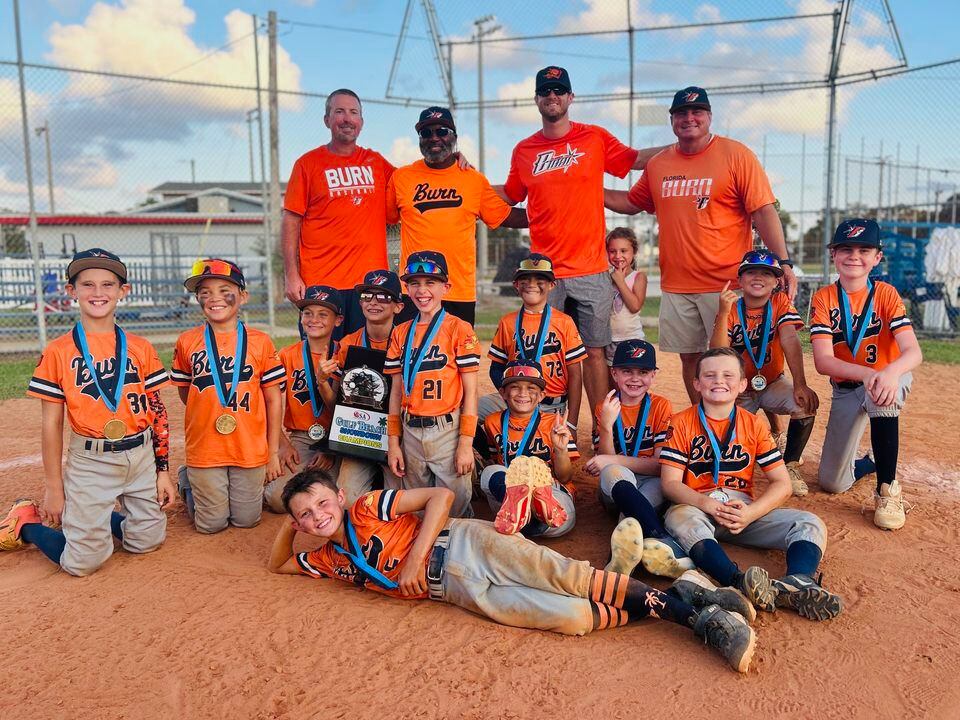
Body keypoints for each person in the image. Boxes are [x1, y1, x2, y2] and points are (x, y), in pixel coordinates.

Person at [268, 470, 758, 673]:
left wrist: (414, 558)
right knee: (572, 618)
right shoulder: (327, 559)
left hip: (464, 542)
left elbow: (440, 496)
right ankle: (686, 593)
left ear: (341, 497)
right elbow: (279, 563)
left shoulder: (367, 507)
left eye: (322, 503)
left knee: (569, 576)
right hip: (456, 590)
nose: (317, 516)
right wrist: (289, 526)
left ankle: (698, 619)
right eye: (305, 515)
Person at [604, 86, 796, 405]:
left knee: (736, 358)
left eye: (697, 112)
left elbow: (763, 210)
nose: (689, 118)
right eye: (681, 113)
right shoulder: (659, 164)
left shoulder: (736, 155)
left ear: (709, 116)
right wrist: (587, 190)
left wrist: (784, 263)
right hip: (678, 284)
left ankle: (749, 423)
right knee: (690, 359)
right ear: (672, 120)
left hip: (726, 283)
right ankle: (701, 421)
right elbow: (631, 202)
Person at [498, 66, 667, 425]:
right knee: (544, 350)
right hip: (545, 273)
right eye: (546, 91)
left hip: (590, 268)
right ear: (537, 99)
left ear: (570, 97)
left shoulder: (593, 137)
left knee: (594, 352)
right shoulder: (524, 150)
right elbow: (510, 196)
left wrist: (682, 146)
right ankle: (545, 427)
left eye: (559, 90)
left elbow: (634, 160)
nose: (553, 96)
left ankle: (603, 427)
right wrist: (466, 182)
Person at [1, 249, 174, 575]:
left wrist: (162, 470)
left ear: (123, 291)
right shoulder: (58, 351)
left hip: (140, 458)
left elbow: (157, 411)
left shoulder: (140, 347)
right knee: (83, 563)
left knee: (147, 541)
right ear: (72, 291)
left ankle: (92, 517)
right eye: (87, 284)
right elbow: (51, 424)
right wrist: (54, 488)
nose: (98, 292)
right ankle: (26, 524)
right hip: (92, 461)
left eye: (108, 284)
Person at [659, 347, 842, 622]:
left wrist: (751, 513)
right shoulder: (682, 422)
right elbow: (670, 483)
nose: (719, 381)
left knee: (808, 522)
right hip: (698, 507)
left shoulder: (753, 424)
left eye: (728, 375)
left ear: (743, 384)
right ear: (696, 383)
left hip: (741, 510)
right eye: (709, 375)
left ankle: (797, 583)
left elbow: (782, 483)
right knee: (678, 516)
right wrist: (706, 504)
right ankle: (738, 581)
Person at [810, 219, 922, 530]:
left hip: (887, 378)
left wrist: (888, 373)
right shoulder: (824, 298)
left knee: (881, 392)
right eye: (846, 248)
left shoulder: (885, 294)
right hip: (847, 387)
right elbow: (823, 361)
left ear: (877, 257)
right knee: (832, 482)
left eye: (864, 250)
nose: (854, 256)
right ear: (833, 254)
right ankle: (870, 462)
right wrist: (867, 373)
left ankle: (887, 490)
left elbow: (913, 352)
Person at [172, 258, 286, 533]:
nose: (215, 298)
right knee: (211, 525)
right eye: (205, 292)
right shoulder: (187, 341)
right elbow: (186, 392)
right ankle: (188, 481)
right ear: (198, 299)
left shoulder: (260, 341)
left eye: (225, 291)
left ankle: (204, 485)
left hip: (249, 447)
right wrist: (211, 407)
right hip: (205, 447)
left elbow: (273, 399)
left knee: (247, 520)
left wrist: (272, 453)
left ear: (243, 296)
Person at [387, 107, 528, 326]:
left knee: (458, 349)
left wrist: (553, 212)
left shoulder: (472, 180)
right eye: (426, 133)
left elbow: (506, 217)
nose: (434, 137)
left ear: (454, 137)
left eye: (442, 131)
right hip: (414, 289)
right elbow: (385, 216)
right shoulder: (402, 178)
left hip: (458, 291)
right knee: (411, 348)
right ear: (420, 139)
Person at [281, 89, 394, 338]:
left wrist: (453, 161)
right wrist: (291, 275)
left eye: (354, 112)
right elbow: (291, 219)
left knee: (365, 357)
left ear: (361, 122)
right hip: (321, 283)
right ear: (327, 120)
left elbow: (414, 183)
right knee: (321, 356)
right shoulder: (307, 164)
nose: (347, 118)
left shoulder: (376, 163)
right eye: (339, 111)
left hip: (368, 286)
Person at [710, 251, 818, 497]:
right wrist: (723, 313)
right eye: (751, 272)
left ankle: (790, 466)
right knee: (724, 453)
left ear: (776, 281)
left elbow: (790, 339)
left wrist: (800, 384)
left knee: (805, 403)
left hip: (771, 383)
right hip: (739, 392)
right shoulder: (732, 308)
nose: (758, 277)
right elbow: (717, 354)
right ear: (740, 279)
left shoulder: (780, 303)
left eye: (767, 273)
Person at [384, 251, 480, 518]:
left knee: (454, 511)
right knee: (418, 511)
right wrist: (394, 443)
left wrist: (465, 443)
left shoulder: (459, 328)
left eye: (431, 282)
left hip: (447, 431)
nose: (422, 290)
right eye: (414, 283)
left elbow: (471, 392)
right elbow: (395, 392)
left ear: (445, 287)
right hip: (410, 431)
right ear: (407, 289)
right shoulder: (401, 332)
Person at [587, 339, 693, 579]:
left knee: (630, 517)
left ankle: (619, 565)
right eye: (627, 371)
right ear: (614, 373)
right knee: (613, 472)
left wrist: (613, 460)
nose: (635, 379)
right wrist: (606, 426)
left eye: (643, 372)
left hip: (650, 482)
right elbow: (606, 463)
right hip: (615, 486)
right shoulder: (605, 406)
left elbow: (658, 466)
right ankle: (664, 540)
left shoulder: (660, 406)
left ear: (653, 375)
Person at [264, 286, 343, 513]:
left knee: (337, 496)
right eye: (308, 313)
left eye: (323, 314)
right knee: (278, 500)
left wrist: (331, 448)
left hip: (337, 438)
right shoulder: (287, 355)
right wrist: (282, 444)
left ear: (338, 320)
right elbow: (267, 403)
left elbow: (347, 410)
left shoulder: (344, 354)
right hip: (301, 438)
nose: (313, 319)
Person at [483, 253, 585, 426]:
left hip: (551, 407)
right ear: (516, 285)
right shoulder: (507, 322)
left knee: (547, 442)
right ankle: (492, 445)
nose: (531, 284)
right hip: (517, 402)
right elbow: (496, 369)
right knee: (469, 413)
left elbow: (575, 374)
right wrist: (510, 396)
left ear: (552, 285)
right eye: (525, 279)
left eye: (540, 280)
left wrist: (572, 424)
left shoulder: (564, 322)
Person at [479, 360, 578, 537]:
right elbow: (496, 459)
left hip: (551, 490)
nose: (523, 393)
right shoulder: (492, 422)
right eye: (515, 387)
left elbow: (565, 477)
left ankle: (530, 516)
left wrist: (560, 449)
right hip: (510, 489)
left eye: (531, 388)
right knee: (490, 472)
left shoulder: (555, 424)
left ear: (541, 395)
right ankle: (522, 509)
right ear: (503, 393)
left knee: (562, 521)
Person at [332, 269, 404, 502]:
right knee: (347, 501)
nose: (373, 302)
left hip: (401, 436)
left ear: (398, 306)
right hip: (361, 435)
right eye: (367, 296)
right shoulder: (348, 343)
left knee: (400, 502)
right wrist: (323, 381)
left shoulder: (409, 341)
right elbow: (337, 400)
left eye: (383, 296)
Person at [605, 227, 648, 364]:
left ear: (634, 252)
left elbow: (635, 306)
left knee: (632, 375)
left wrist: (620, 282)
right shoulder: (605, 278)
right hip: (609, 341)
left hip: (632, 339)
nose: (618, 256)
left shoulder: (638, 277)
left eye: (623, 251)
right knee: (613, 377)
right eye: (612, 251)